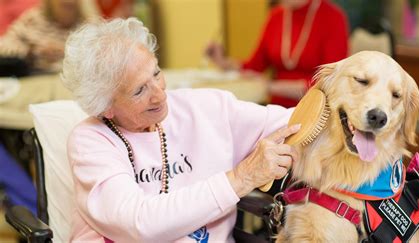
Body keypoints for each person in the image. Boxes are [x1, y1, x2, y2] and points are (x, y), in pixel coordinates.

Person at [62, 17, 300, 242]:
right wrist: (241, 178)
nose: (159, 94)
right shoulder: (90, 141)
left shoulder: (206, 108)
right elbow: (139, 224)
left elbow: (294, 121)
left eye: (156, 73)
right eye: (139, 91)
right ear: (106, 107)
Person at [206, 0, 349, 107]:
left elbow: (330, 81)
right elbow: (254, 67)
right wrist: (222, 62)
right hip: (275, 108)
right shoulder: (276, 15)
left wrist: (272, 87)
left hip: (315, 109)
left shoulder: (333, 17)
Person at [0, 0, 83, 73]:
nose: (69, 1)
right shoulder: (33, 20)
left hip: (71, 79)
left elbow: (92, 58)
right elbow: (4, 45)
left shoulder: (85, 25)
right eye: (63, 5)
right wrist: (32, 51)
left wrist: (67, 52)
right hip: (35, 76)